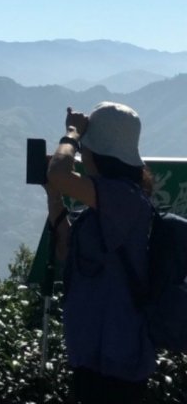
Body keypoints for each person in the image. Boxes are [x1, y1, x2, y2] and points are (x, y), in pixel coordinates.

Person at [46, 101, 156, 404]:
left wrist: (71, 135)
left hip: (119, 357)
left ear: (99, 155)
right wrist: (52, 193)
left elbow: (60, 174)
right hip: (92, 353)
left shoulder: (124, 199)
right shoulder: (105, 202)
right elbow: (66, 249)